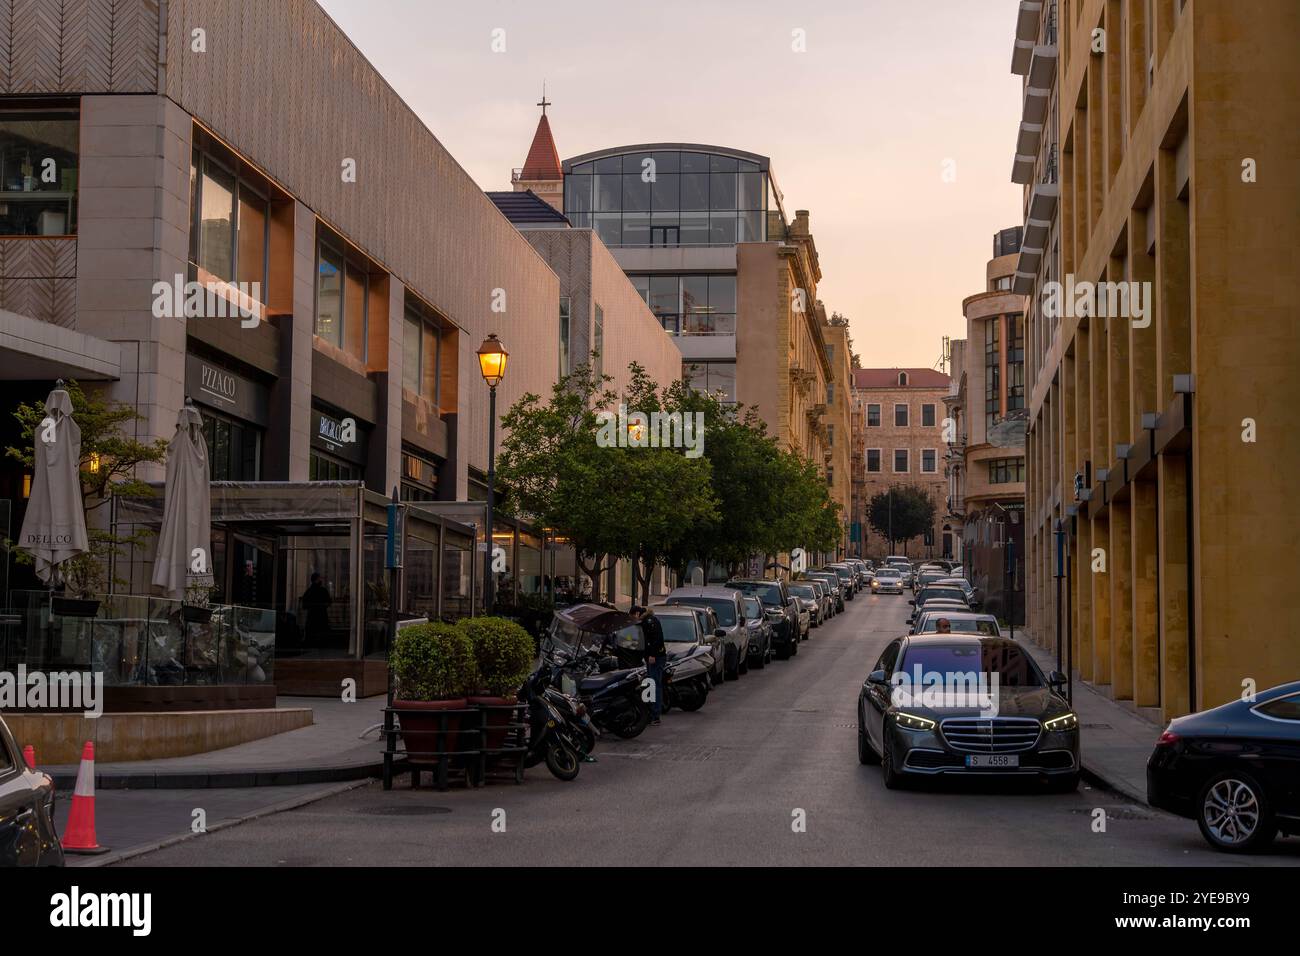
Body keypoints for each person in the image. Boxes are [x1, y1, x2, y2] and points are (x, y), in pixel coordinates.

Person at [632, 605, 667, 725]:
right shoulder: (646, 621)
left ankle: (655, 715)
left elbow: (656, 639)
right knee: (651, 684)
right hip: (652, 657)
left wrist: (652, 655)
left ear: (637, 613)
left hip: (655, 658)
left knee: (654, 685)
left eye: (633, 616)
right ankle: (652, 713)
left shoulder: (650, 621)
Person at [301, 573, 333, 645]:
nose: (321, 580)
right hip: (322, 615)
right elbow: (329, 602)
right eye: (320, 578)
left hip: (312, 616)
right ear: (317, 579)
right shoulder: (323, 590)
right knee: (322, 634)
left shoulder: (309, 591)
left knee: (311, 634)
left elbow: (304, 605)